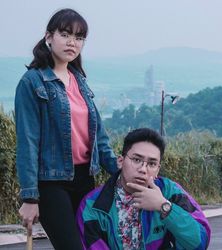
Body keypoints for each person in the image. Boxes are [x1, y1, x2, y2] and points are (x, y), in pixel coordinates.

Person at [15, 8, 118, 250]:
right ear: (49, 37)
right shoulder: (32, 82)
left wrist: (119, 170)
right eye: (65, 34)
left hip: (85, 179)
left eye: (79, 37)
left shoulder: (80, 81)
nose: (72, 42)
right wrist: (30, 197)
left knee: (90, 246)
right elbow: (28, 142)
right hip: (52, 183)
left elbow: (98, 137)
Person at [77, 128, 211, 249]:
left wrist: (164, 207)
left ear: (157, 170)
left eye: (152, 164)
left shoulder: (170, 192)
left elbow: (199, 243)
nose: (143, 169)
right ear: (120, 161)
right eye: (136, 160)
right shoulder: (93, 206)